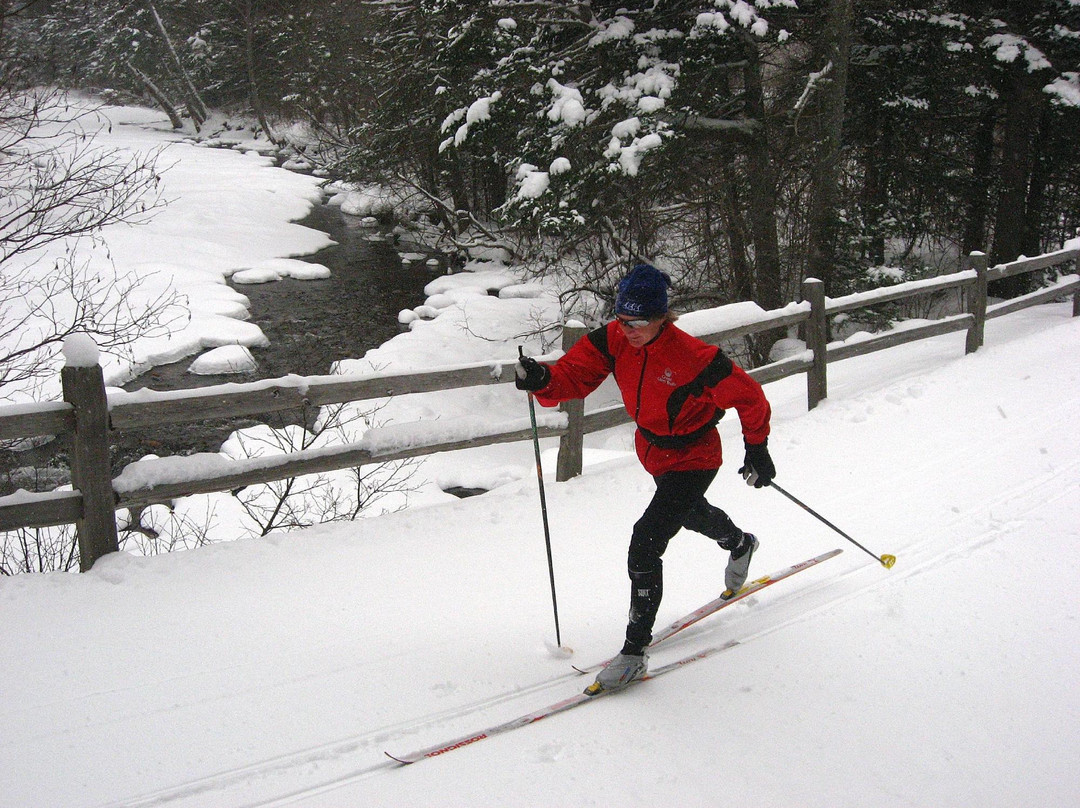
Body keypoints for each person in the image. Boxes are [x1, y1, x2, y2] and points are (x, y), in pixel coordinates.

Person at [515, 263, 776, 693]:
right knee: (690, 515)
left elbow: (750, 397)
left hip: (695, 455)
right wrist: (544, 377)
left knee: (646, 541)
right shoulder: (614, 339)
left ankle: (634, 651)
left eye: (638, 321)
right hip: (654, 452)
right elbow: (575, 376)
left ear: (662, 317)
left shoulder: (696, 358)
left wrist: (757, 447)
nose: (628, 329)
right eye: (622, 319)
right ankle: (739, 542)